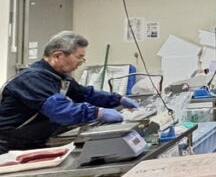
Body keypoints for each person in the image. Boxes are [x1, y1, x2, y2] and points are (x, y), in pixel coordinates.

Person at [0, 31, 138, 154]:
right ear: (58, 55)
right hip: (8, 147)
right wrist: (98, 113)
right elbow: (60, 111)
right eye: (79, 57)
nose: (81, 62)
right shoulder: (32, 79)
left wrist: (118, 99)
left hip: (32, 141)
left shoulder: (58, 76)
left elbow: (84, 94)